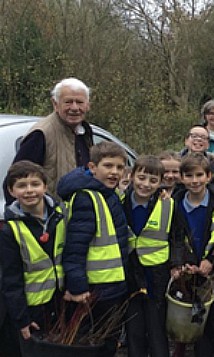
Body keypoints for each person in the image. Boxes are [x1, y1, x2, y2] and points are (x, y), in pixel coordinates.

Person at [56, 141, 130, 342]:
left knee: (108, 340)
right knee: (92, 342)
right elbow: (75, 248)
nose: (114, 172)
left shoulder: (109, 194)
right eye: (108, 166)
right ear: (92, 167)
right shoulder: (86, 199)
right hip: (95, 288)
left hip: (111, 284)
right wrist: (78, 287)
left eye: (119, 167)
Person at [0, 161, 66, 355]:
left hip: (60, 302)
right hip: (32, 310)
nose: (29, 191)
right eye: (21, 186)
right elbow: (11, 279)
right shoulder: (10, 230)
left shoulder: (60, 216)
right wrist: (22, 319)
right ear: (12, 191)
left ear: (45, 187)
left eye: (35, 184)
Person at [170, 152, 214, 357]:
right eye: (189, 176)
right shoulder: (174, 204)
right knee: (196, 325)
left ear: (209, 176)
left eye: (199, 175)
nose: (194, 181)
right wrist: (182, 264)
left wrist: (211, 261)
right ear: (181, 177)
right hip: (190, 274)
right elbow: (175, 238)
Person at [122, 155, 185, 357]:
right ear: (131, 176)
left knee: (157, 325)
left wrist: (176, 263)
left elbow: (177, 236)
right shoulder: (119, 201)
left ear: (161, 182)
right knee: (134, 325)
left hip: (157, 272)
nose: (146, 184)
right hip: (130, 270)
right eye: (141, 178)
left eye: (153, 180)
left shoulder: (168, 204)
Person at [7, 77, 93, 200]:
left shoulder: (85, 132)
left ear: (88, 105)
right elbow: (14, 180)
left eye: (79, 102)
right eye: (68, 102)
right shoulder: (40, 134)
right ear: (55, 104)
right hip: (52, 216)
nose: (74, 108)